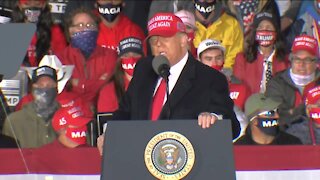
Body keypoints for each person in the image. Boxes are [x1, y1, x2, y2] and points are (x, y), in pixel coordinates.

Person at [98, 12, 240, 155]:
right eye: (153, 40)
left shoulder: (210, 79)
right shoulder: (143, 68)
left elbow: (232, 127)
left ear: (183, 40)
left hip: (186, 166)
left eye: (165, 38)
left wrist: (214, 118)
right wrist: (109, 132)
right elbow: (125, 111)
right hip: (140, 159)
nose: (158, 44)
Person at [57, 6, 117, 110]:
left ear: (97, 29)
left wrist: (77, 83)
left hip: (102, 110)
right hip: (72, 114)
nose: (85, 29)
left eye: (90, 25)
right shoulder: (59, 58)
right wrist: (96, 82)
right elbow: (62, 92)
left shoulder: (110, 55)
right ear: (70, 31)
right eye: (79, 25)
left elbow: (106, 87)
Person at [197, 38, 249, 139]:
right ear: (199, 60)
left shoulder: (240, 86)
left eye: (218, 58)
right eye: (208, 59)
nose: (214, 63)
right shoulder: (192, 87)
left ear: (224, 59)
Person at [266, 34, 320, 129]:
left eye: (307, 60)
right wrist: (304, 110)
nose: (301, 64)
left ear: (316, 63)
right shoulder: (276, 83)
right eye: (297, 59)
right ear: (291, 60)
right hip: (286, 137)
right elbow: (277, 118)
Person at [233, 11, 289, 95]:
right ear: (255, 32)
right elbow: (238, 90)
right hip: (251, 105)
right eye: (260, 27)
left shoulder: (287, 60)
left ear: (276, 32)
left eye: (269, 28)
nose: (265, 30)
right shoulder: (242, 59)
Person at [2, 66, 59, 148]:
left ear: (56, 88)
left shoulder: (69, 119)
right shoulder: (14, 121)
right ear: (32, 88)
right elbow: (8, 156)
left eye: (50, 85)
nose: (45, 90)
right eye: (40, 85)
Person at [11, 0, 67, 67]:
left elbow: (63, 61)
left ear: (43, 5)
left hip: (47, 75)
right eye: (27, 4)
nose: (32, 7)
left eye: (37, 4)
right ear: (19, 5)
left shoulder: (55, 31)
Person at [97, 36, 144, 113]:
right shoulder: (108, 91)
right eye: (126, 56)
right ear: (119, 60)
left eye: (135, 54)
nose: (131, 58)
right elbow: (107, 122)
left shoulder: (154, 84)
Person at [193, 0, 244, 71]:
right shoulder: (185, 23)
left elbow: (236, 53)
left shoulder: (231, 24)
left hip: (226, 76)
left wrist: (226, 71)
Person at [235, 93, 302, 145]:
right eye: (270, 113)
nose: (277, 116)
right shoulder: (238, 149)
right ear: (254, 120)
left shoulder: (293, 145)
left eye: (277, 111)